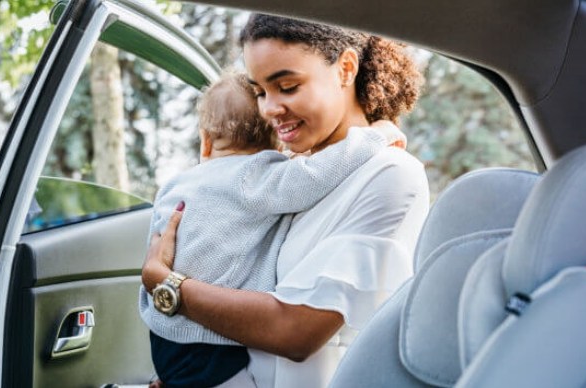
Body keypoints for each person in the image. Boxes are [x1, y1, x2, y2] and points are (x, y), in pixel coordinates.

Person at [142, 14, 429, 388]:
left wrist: (167, 286)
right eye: (260, 92)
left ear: (345, 69)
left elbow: (294, 332)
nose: (268, 109)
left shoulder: (389, 173)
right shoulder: (283, 171)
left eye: (288, 86)